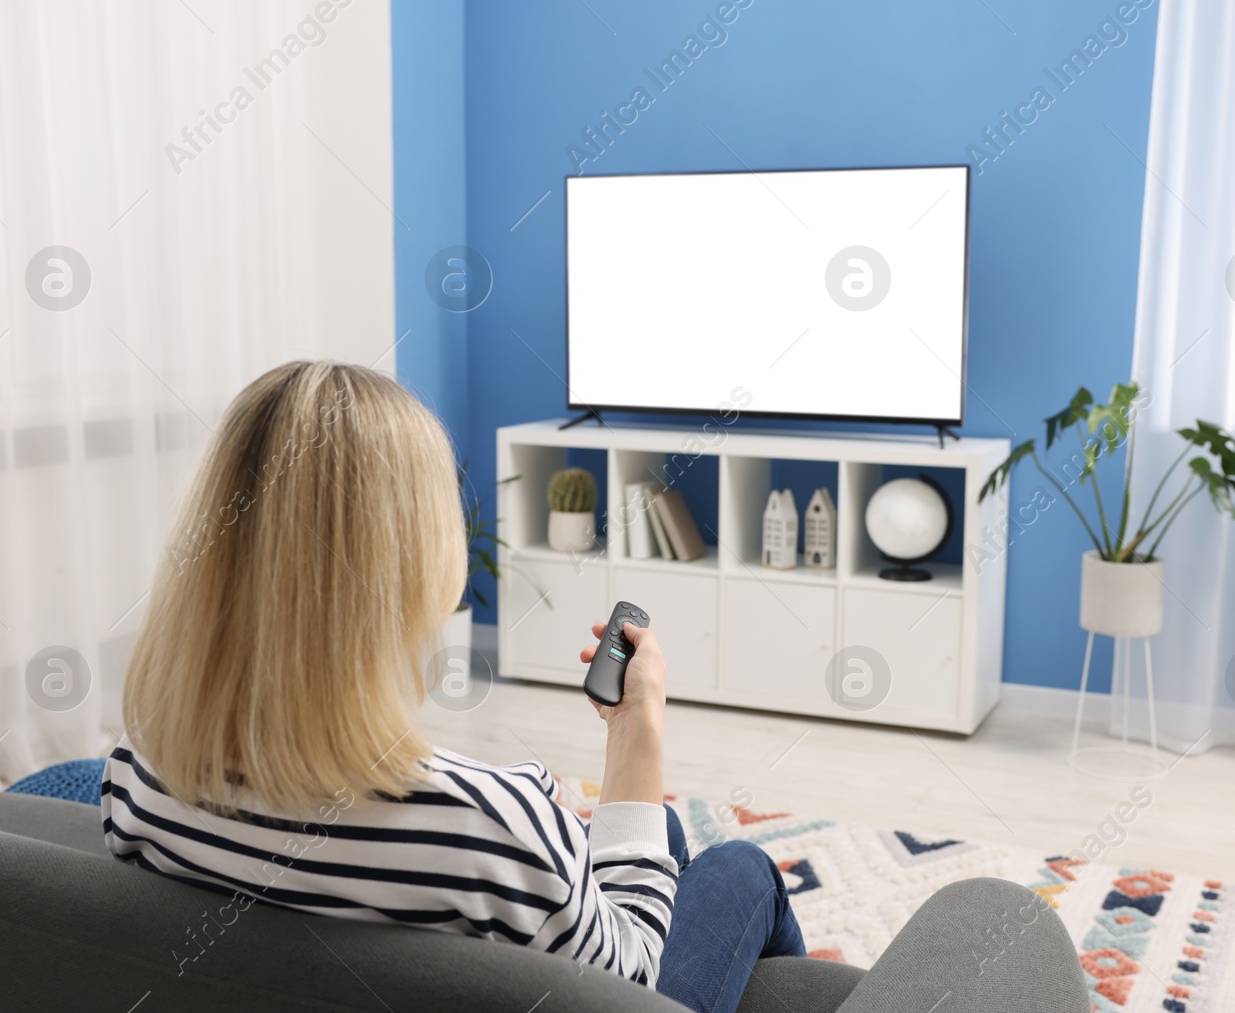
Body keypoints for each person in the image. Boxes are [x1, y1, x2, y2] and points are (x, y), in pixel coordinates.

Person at [102, 360, 803, 1012]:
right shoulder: (490, 829)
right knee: (743, 866)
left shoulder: (136, 774)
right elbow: (630, 980)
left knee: (662, 832)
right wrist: (636, 728)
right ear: (405, 562)